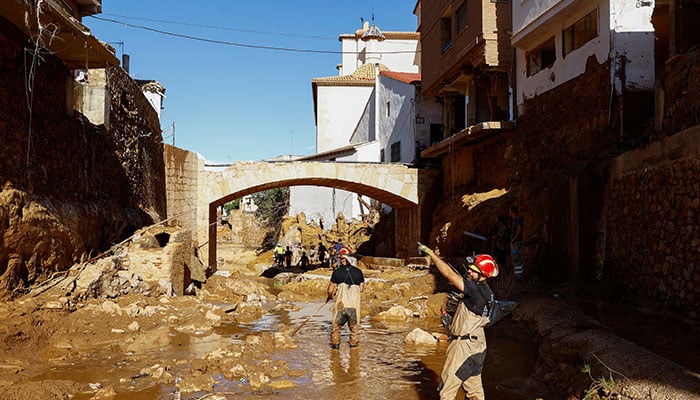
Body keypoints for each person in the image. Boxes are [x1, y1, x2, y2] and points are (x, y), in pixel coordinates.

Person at [417, 243, 498, 400]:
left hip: (464, 346)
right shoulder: (488, 293)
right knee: (474, 389)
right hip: (478, 345)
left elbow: (449, 274)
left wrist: (432, 255)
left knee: (447, 389)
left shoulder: (475, 290)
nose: (469, 271)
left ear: (483, 275)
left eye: (473, 270)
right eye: (470, 268)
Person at [327, 254, 365, 349]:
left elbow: (330, 290)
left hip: (341, 305)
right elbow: (361, 288)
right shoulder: (359, 272)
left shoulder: (337, 272)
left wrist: (330, 296)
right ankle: (354, 353)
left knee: (336, 328)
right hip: (353, 306)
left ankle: (335, 350)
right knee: (354, 329)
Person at [509, 205, 524, 281]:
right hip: (516, 242)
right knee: (516, 259)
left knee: (516, 258)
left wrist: (514, 239)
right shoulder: (515, 219)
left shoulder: (517, 219)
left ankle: (519, 277)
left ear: (512, 212)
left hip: (516, 242)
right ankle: (518, 275)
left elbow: (519, 229)